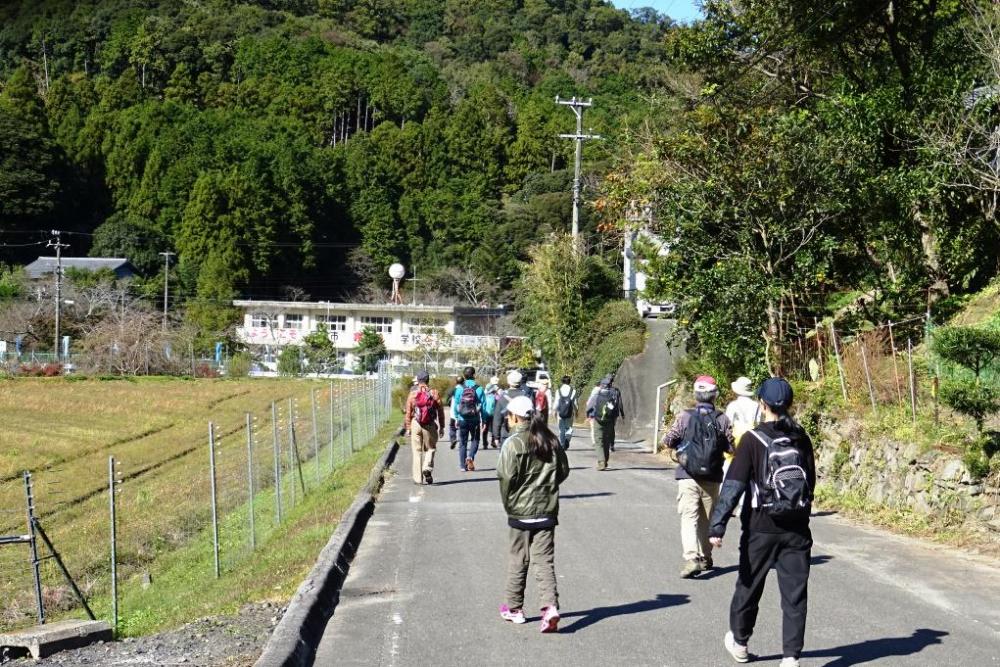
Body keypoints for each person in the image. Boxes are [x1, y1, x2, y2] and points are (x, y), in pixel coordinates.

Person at [709, 377, 815, 667]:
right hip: (796, 529)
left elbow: (733, 485)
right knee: (794, 596)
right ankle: (791, 657)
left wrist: (718, 526)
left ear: (762, 404)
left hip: (760, 527)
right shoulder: (802, 438)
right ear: (790, 405)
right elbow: (810, 483)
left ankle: (740, 643)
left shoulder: (753, 440)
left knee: (749, 586)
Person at [497, 395, 570, 633]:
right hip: (546, 510)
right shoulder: (551, 440)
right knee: (544, 561)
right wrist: (548, 489)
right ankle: (550, 607)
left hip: (520, 512)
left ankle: (515, 609)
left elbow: (506, 478)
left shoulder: (513, 444)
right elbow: (563, 471)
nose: (508, 420)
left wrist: (509, 503)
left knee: (518, 558)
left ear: (516, 417)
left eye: (509, 416)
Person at [662, 375, 735, 578]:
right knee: (707, 519)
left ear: (695, 394)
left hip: (687, 475)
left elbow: (668, 440)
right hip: (712, 476)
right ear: (714, 395)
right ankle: (705, 557)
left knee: (689, 518)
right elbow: (731, 447)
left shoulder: (685, 416)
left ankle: (692, 558)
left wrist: (680, 445)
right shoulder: (722, 419)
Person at [403, 370, 445, 485]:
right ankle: (426, 467)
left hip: (416, 423)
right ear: (428, 380)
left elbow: (408, 411)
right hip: (430, 424)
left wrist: (408, 427)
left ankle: (418, 479)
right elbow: (440, 411)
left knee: (416, 452)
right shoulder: (434, 393)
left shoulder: (413, 394)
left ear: (418, 380)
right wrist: (442, 427)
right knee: (430, 448)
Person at [586, 375, 624, 471]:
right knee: (606, 441)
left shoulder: (597, 395)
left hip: (598, 420)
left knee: (599, 441)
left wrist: (588, 415)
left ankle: (601, 461)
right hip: (610, 421)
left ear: (601, 386)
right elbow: (617, 407)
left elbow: (589, 406)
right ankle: (605, 460)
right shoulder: (614, 394)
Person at [452, 366, 486, 471]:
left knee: (463, 442)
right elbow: (483, 406)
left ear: (464, 376)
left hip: (462, 419)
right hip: (474, 419)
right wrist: (483, 420)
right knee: (475, 439)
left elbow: (456, 405)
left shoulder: (459, 389)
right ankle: (470, 457)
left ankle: (462, 466)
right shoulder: (479, 388)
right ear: (474, 375)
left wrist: (457, 417)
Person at [496, 370, 535, 445]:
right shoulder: (527, 396)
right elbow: (533, 415)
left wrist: (496, 436)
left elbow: (497, 418)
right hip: (523, 433)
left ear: (508, 382)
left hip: (506, 433)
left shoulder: (503, 397)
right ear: (520, 382)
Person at [725, 377, 759, 449]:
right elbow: (759, 424)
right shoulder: (757, 406)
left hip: (737, 443)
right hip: (753, 441)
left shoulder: (732, 406)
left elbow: (727, 426)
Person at [554, 376, 578, 450]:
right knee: (569, 428)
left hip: (560, 413)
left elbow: (556, 402)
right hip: (569, 413)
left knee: (561, 429)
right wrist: (576, 411)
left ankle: (562, 444)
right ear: (569, 382)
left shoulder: (558, 391)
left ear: (562, 382)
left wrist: (554, 411)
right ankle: (567, 439)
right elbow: (575, 403)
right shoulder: (573, 391)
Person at [482, 376, 502, 448]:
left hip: (486, 412)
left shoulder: (486, 388)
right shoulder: (498, 390)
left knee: (485, 428)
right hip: (495, 412)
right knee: (494, 427)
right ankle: (493, 442)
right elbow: (500, 399)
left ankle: (485, 443)